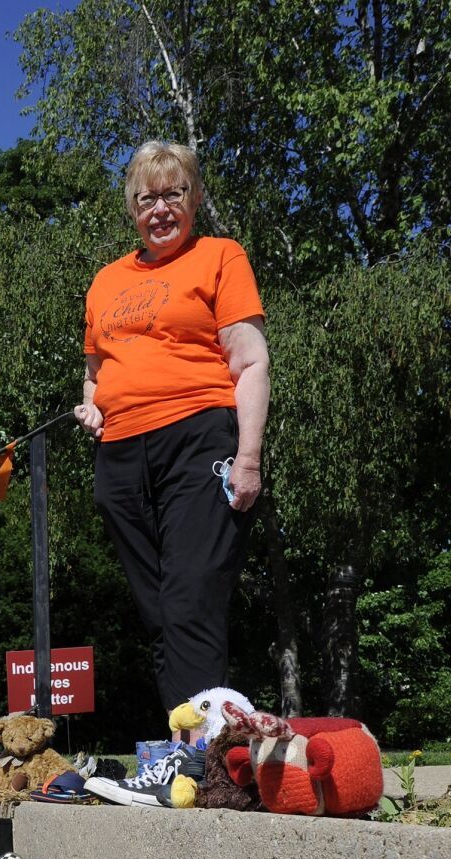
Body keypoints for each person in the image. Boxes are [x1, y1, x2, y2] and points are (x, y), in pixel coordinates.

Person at [76, 140, 269, 719]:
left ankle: (202, 755)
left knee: (190, 596)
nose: (160, 209)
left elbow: (251, 361)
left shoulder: (220, 256)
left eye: (173, 194)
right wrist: (91, 406)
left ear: (195, 199)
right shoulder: (104, 281)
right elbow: (94, 375)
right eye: (147, 198)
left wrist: (249, 457)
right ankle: (186, 743)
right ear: (132, 209)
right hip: (120, 454)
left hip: (199, 437)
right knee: (158, 608)